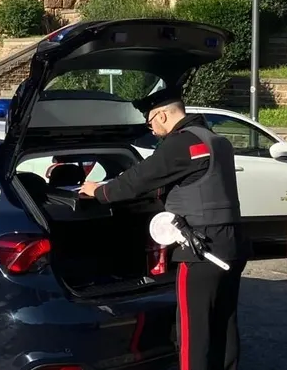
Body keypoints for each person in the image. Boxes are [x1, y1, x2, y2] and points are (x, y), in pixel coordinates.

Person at [78, 87, 249, 370]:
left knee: (194, 331)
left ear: (162, 115)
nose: (152, 130)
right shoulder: (214, 140)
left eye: (150, 123)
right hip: (232, 243)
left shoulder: (180, 143)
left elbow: (137, 179)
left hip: (200, 249)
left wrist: (99, 191)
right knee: (224, 321)